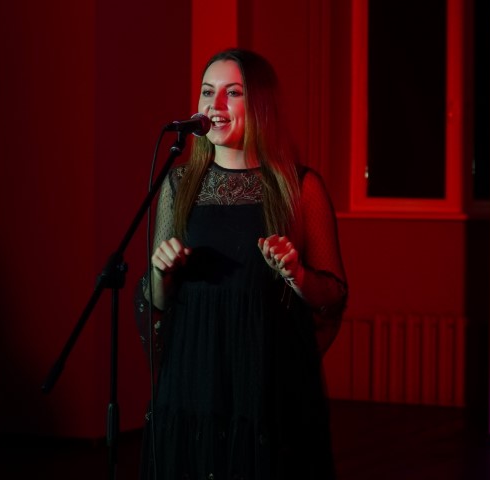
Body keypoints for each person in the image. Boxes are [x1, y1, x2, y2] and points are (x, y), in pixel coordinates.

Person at [136, 48, 348, 480]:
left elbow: (333, 294)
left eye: (232, 93)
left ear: (261, 105)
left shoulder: (300, 187)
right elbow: (156, 302)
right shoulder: (178, 184)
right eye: (207, 92)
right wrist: (160, 272)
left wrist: (297, 275)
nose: (214, 105)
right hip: (195, 377)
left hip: (266, 382)